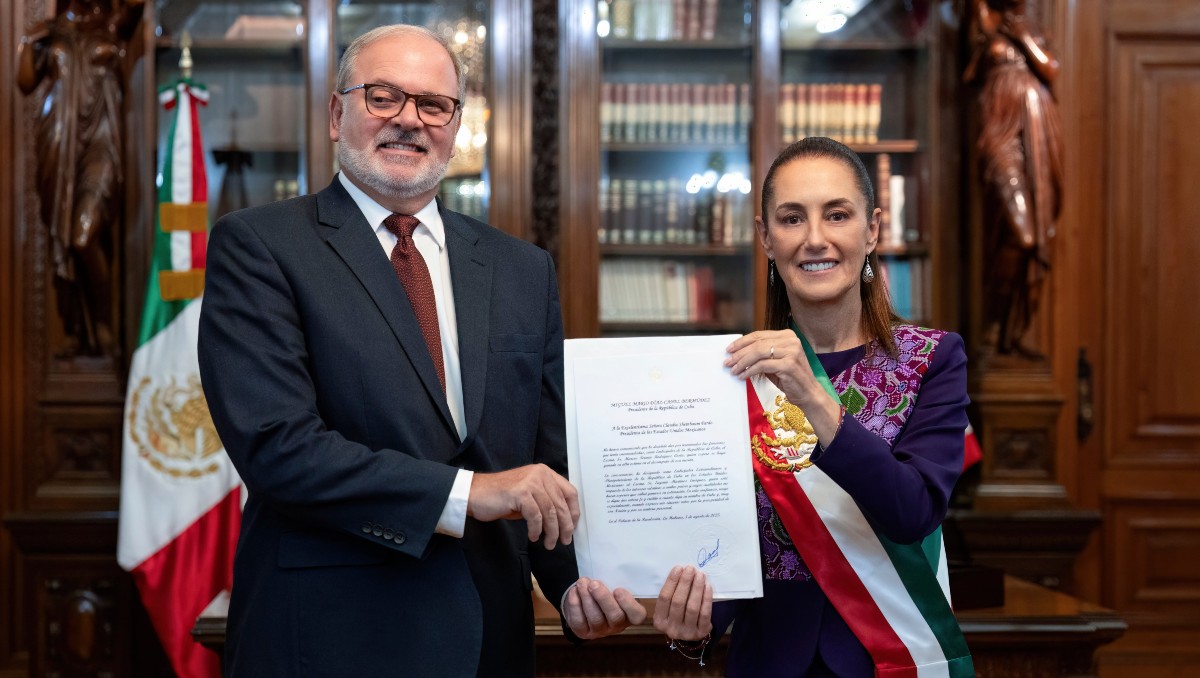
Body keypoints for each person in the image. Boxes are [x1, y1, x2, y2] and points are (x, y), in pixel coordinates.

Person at [197, 24, 643, 677]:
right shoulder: (259, 247)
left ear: (456, 126)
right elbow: (278, 448)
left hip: (491, 640)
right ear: (335, 113)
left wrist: (577, 586)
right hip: (328, 639)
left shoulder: (523, 270)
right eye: (383, 97)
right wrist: (470, 493)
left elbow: (546, 461)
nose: (409, 120)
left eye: (433, 105)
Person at [653, 137, 975, 676]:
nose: (816, 239)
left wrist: (809, 393)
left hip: (890, 661)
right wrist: (694, 627)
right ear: (766, 238)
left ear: (872, 230)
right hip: (769, 661)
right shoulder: (730, 374)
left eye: (838, 215)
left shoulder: (932, 359)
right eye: (792, 219)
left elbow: (913, 511)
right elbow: (725, 549)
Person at [17, 0, 144, 358]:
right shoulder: (52, 30)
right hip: (58, 140)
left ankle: (104, 325)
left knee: (83, 234)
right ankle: (76, 328)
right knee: (64, 236)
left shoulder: (114, 21)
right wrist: (28, 40)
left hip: (103, 140)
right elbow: (25, 81)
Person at [964, 0, 1063, 358]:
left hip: (1035, 131)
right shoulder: (985, 20)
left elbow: (1050, 69)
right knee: (1023, 234)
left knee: (1030, 236)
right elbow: (970, 75)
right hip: (999, 134)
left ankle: (1011, 332)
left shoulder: (1033, 27)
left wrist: (1022, 37)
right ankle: (993, 323)